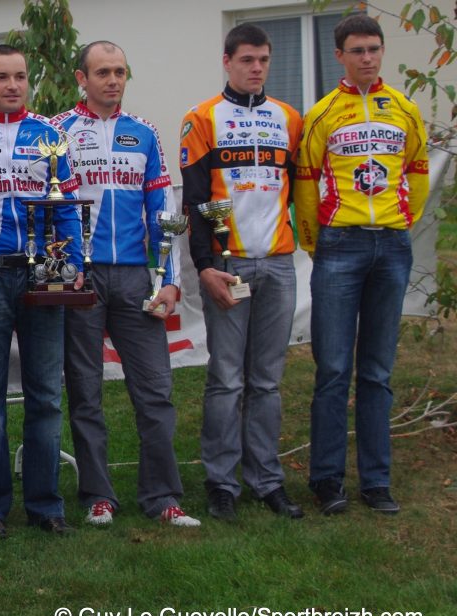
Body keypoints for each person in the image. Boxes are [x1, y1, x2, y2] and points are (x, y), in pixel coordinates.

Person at [54, 41, 200, 528]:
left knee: (155, 391)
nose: (113, 80)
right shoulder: (59, 132)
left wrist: (172, 281)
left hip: (138, 275)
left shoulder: (145, 133)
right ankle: (98, 495)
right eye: (102, 72)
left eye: (119, 72)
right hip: (82, 276)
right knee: (85, 391)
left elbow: (163, 212)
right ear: (82, 77)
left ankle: (164, 497)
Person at [295, 14, 428, 516]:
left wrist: (402, 222)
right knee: (332, 368)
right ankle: (327, 480)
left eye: (374, 48)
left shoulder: (405, 110)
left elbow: (416, 169)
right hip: (339, 246)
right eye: (357, 50)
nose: (367, 58)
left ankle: (376, 480)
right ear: (340, 56)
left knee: (377, 370)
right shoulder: (323, 113)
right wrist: (315, 241)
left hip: (391, 246)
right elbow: (306, 182)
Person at [0, 44, 82, 536]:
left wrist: (72, 262)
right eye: (1, 76)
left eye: (20, 76)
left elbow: (66, 205)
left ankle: (46, 505)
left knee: (46, 393)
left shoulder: (51, 135)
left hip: (44, 274)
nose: (12, 85)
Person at [180, 24, 305, 521]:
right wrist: (206, 266)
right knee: (227, 379)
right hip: (228, 264)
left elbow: (300, 190)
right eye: (248, 59)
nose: (257, 68)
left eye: (264, 60)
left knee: (267, 381)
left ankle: (266, 480)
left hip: (277, 262)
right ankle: (221, 483)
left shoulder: (289, 118)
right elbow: (192, 201)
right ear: (227, 61)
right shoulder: (202, 117)